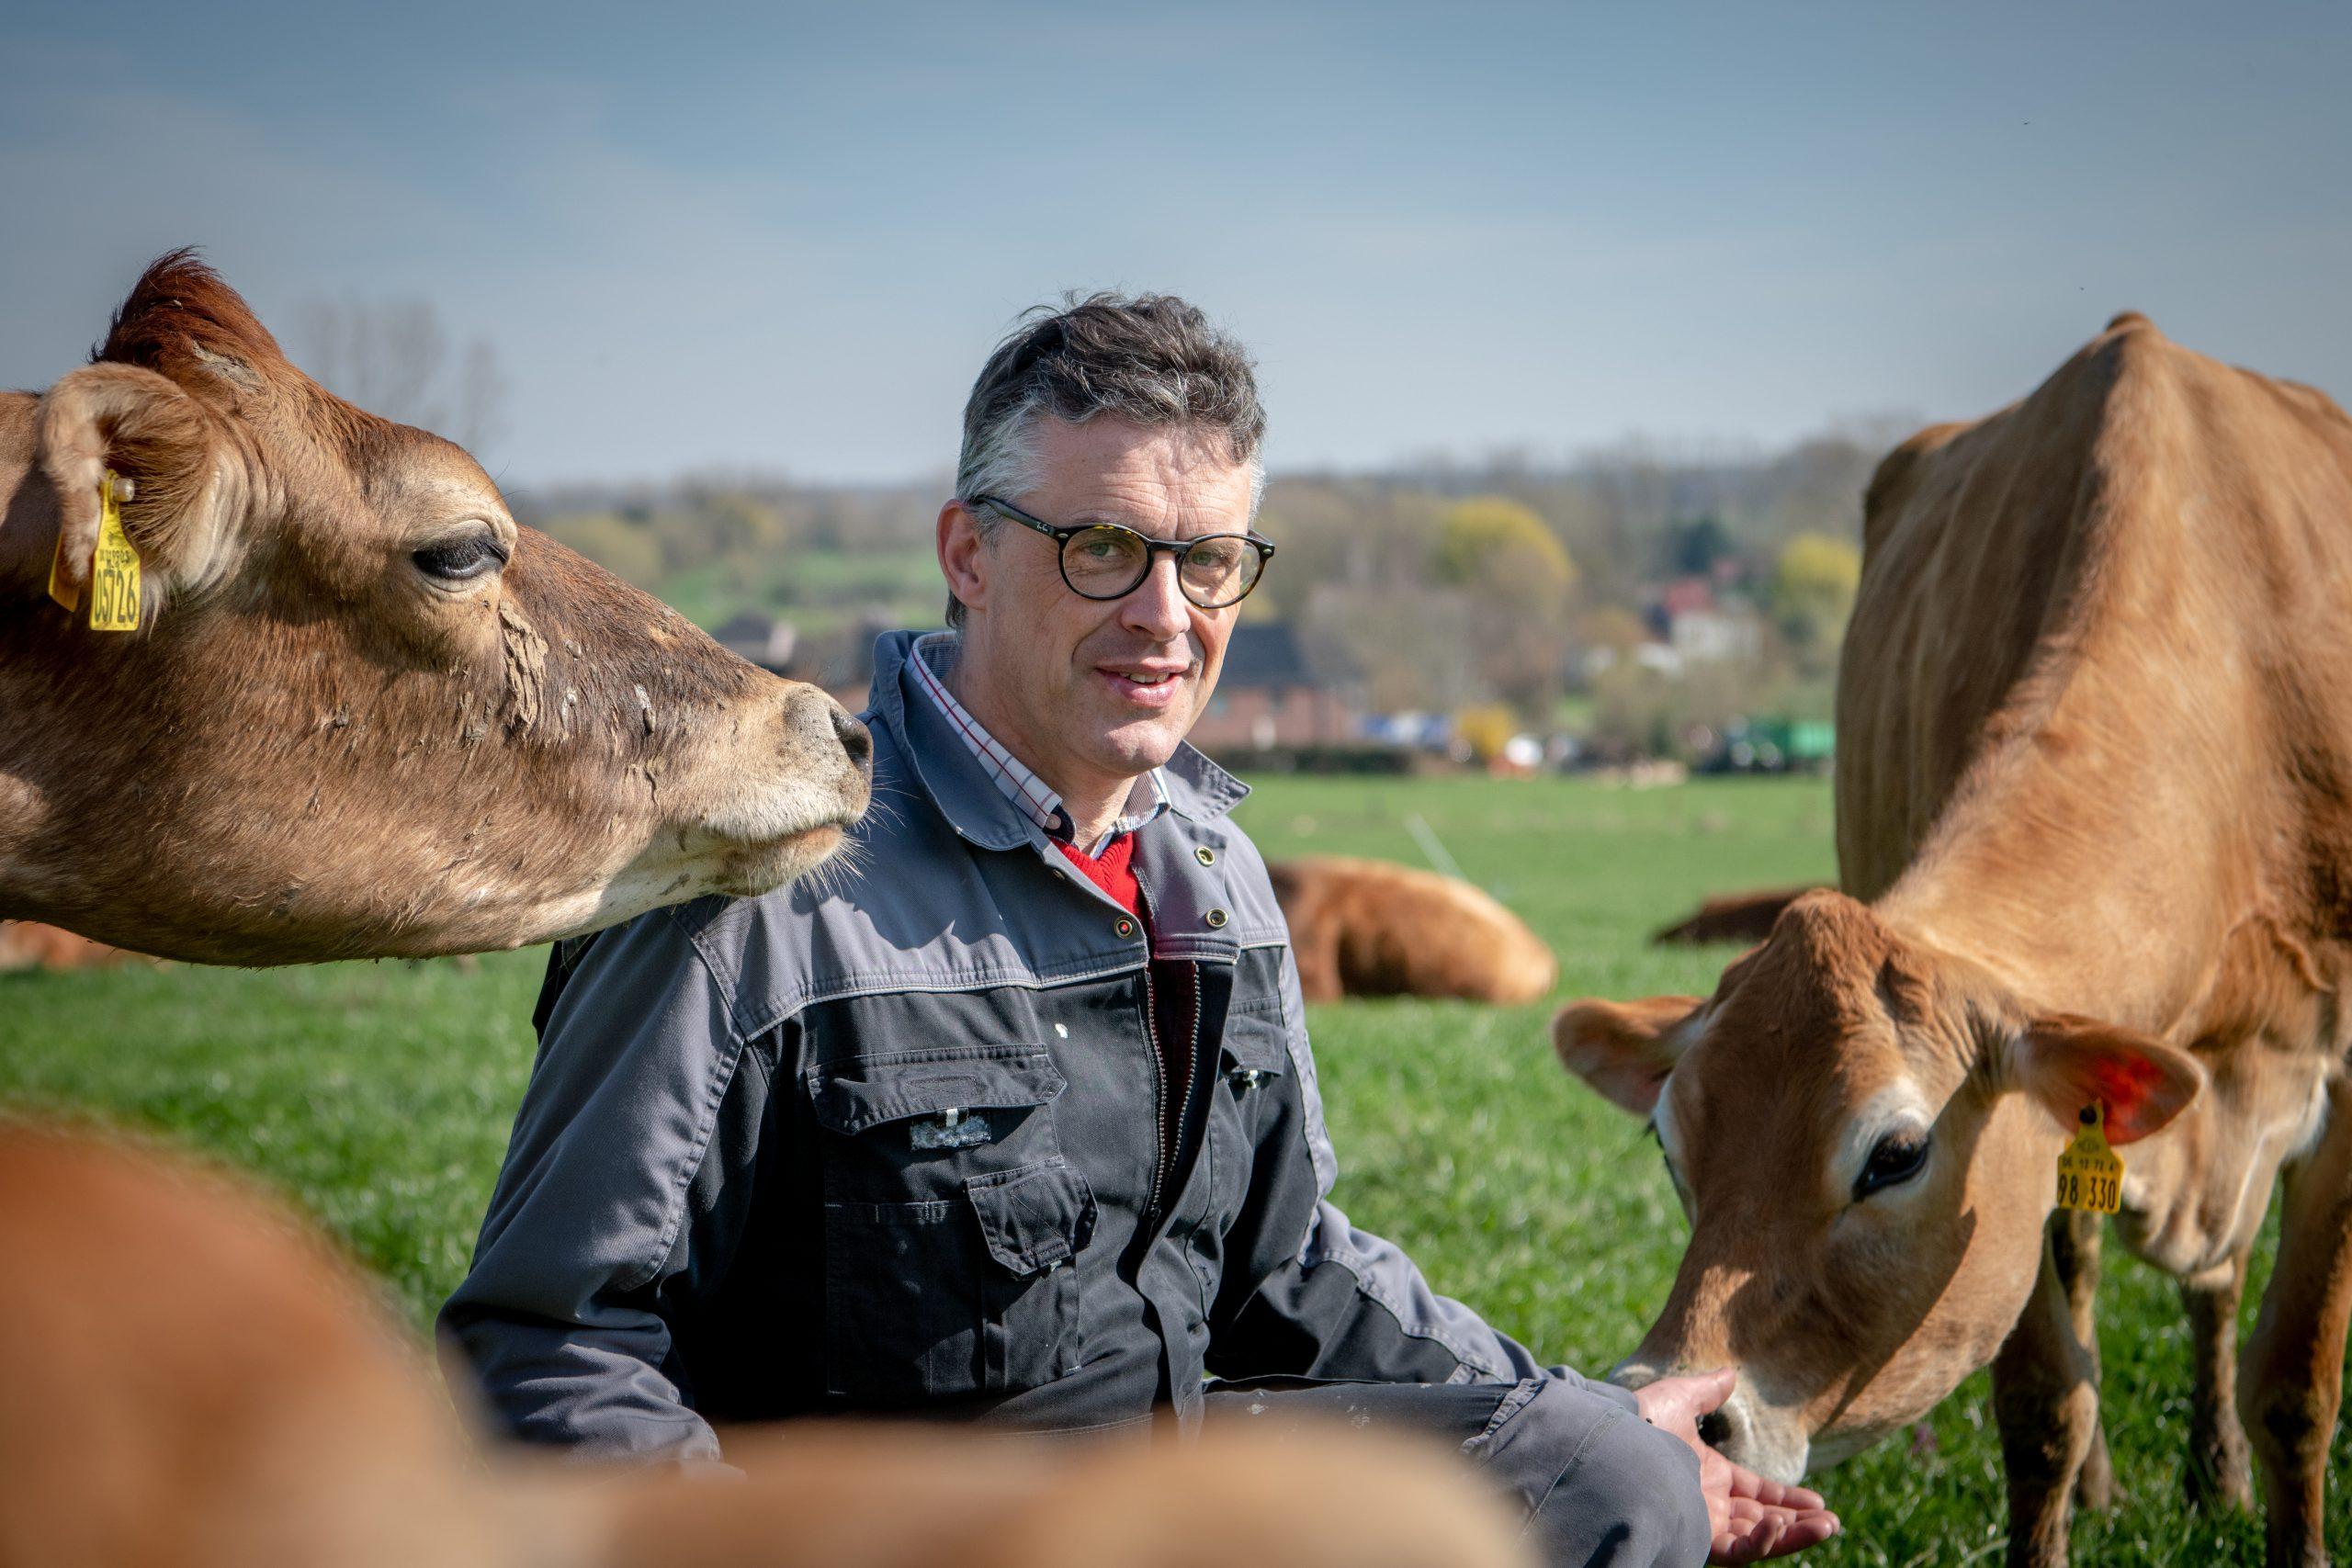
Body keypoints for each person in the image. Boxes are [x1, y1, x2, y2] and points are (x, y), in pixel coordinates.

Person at [441, 295, 1838, 1566]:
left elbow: (1285, 1270)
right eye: (1104, 549)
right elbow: (551, 1350)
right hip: (894, 1535)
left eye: (1211, 559)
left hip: (1167, 1500)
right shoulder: (757, 888)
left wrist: (1581, 1416)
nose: (1166, 618)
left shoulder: (1213, 871)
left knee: (1615, 1486)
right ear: (968, 555)